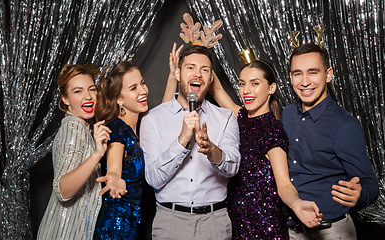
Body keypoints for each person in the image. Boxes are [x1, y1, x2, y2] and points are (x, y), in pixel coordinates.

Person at [208, 60, 323, 239]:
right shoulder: (240, 118)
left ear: (271, 88)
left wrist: (296, 204)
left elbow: (284, 184)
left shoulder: (272, 131)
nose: (246, 90)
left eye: (255, 83)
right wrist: (201, 51)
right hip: (238, 223)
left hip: (264, 228)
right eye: (242, 84)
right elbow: (216, 90)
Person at [140, 45, 241, 240]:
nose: (198, 74)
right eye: (190, 68)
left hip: (215, 222)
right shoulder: (153, 119)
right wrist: (182, 141)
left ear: (211, 78)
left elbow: (233, 167)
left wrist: (212, 150)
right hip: (170, 222)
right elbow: (153, 179)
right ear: (177, 73)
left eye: (205, 70)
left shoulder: (226, 118)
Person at [282, 42, 379, 239]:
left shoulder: (345, 126)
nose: (305, 81)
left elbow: (371, 184)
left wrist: (360, 194)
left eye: (313, 72)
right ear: (291, 77)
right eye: (297, 73)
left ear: (328, 74)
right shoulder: (287, 114)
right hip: (290, 230)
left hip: (331, 231)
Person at [37, 64, 111, 240]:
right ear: (65, 99)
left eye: (91, 89)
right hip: (63, 233)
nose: (88, 96)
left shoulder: (85, 127)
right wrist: (97, 155)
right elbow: (63, 190)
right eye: (78, 91)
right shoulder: (73, 128)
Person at [93, 61, 148, 240]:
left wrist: (172, 77)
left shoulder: (138, 125)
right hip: (115, 227)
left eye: (143, 83)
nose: (143, 91)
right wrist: (115, 178)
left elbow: (163, 112)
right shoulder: (117, 129)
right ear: (119, 99)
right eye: (133, 88)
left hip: (132, 223)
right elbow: (114, 169)